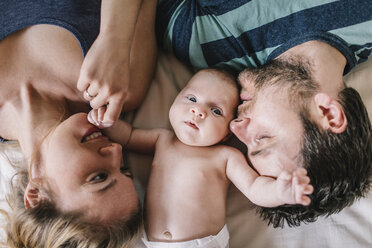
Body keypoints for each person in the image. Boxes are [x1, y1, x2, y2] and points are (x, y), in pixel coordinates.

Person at [155, 0, 372, 226]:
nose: (235, 126)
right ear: (328, 113)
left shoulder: (204, 43)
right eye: (262, 138)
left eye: (248, 146)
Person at [88, 68, 313, 247]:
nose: (199, 111)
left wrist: (279, 192)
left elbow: (254, 187)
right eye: (191, 98)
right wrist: (105, 121)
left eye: (216, 111)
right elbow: (127, 137)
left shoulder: (225, 156)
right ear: (175, 101)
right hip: (144, 242)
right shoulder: (162, 140)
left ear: (227, 133)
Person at [0, 0, 157, 247]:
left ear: (36, 196)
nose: (116, 150)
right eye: (124, 169)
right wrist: (115, 38)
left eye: (98, 177)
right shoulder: (121, 88)